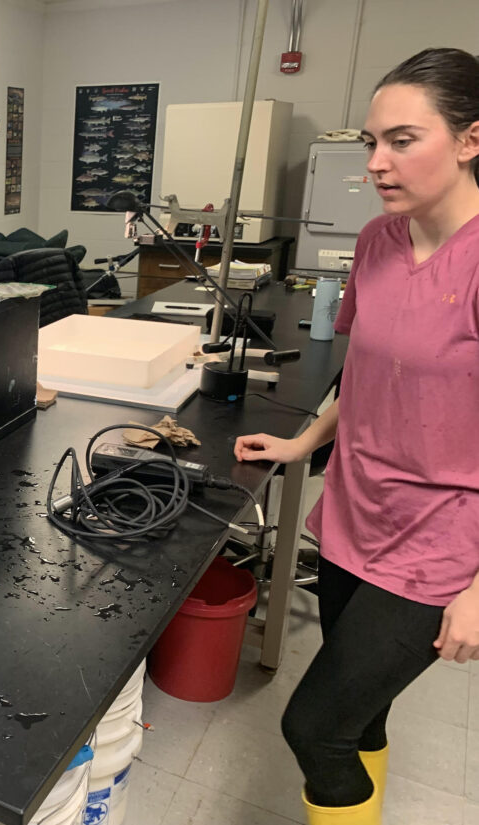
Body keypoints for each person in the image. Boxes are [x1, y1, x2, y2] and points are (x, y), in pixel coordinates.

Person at [234, 48, 479, 824]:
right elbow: (366, 377)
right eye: (373, 142)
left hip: (440, 538)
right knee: (362, 716)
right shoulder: (378, 241)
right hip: (353, 513)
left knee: (314, 729)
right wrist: (303, 444)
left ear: (471, 139)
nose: (376, 162)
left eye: (402, 141)